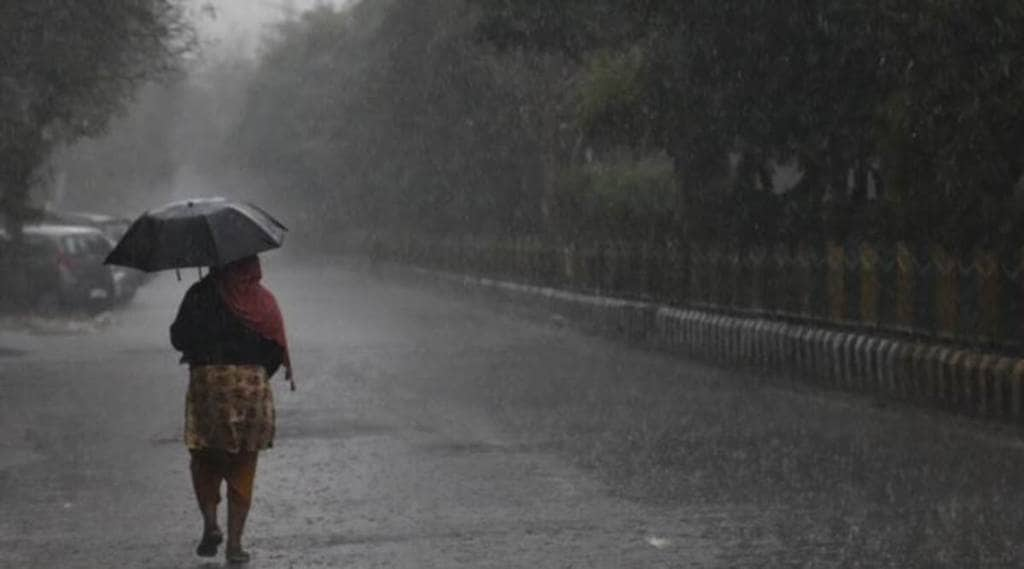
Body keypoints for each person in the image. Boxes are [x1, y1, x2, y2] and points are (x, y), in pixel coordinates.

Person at [170, 255, 293, 563]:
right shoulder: (262, 300)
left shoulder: (200, 295)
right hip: (251, 386)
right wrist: (253, 372)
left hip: (208, 385)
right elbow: (276, 346)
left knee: (205, 455)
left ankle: (211, 523)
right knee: (242, 463)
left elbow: (178, 337)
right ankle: (235, 545)